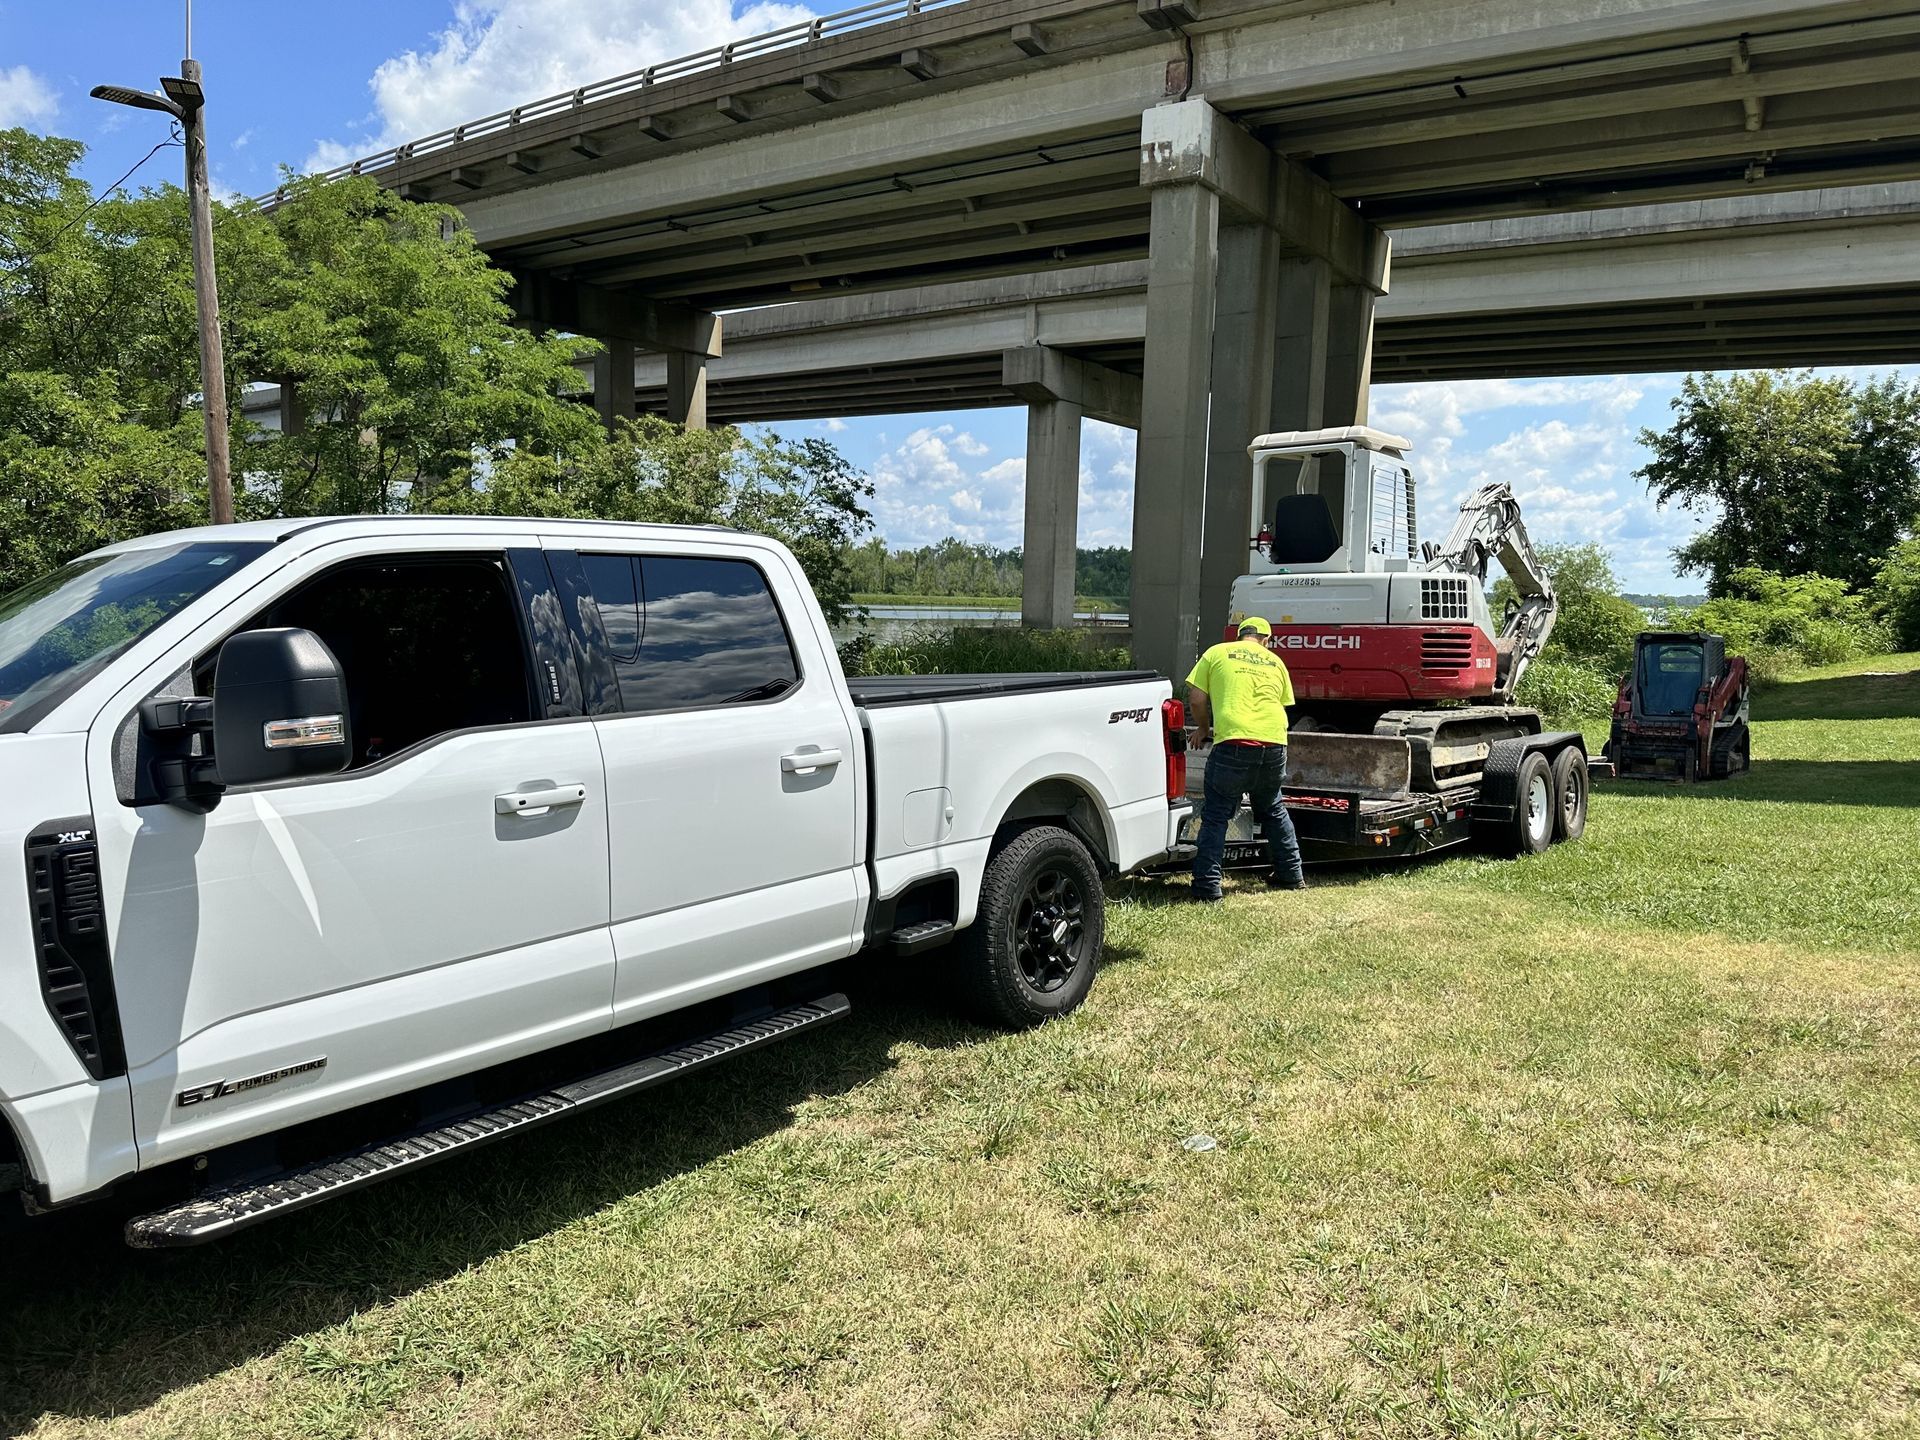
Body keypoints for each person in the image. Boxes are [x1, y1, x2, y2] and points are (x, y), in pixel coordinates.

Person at [1185, 615, 1306, 901]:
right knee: (1273, 808)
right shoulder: (1275, 662)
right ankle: (1291, 876)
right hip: (1275, 744)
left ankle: (1207, 887)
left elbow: (1196, 698)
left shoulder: (1217, 652)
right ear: (1266, 639)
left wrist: (1204, 728)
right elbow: (1281, 705)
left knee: (1216, 816)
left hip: (1235, 743)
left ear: (1239, 636)